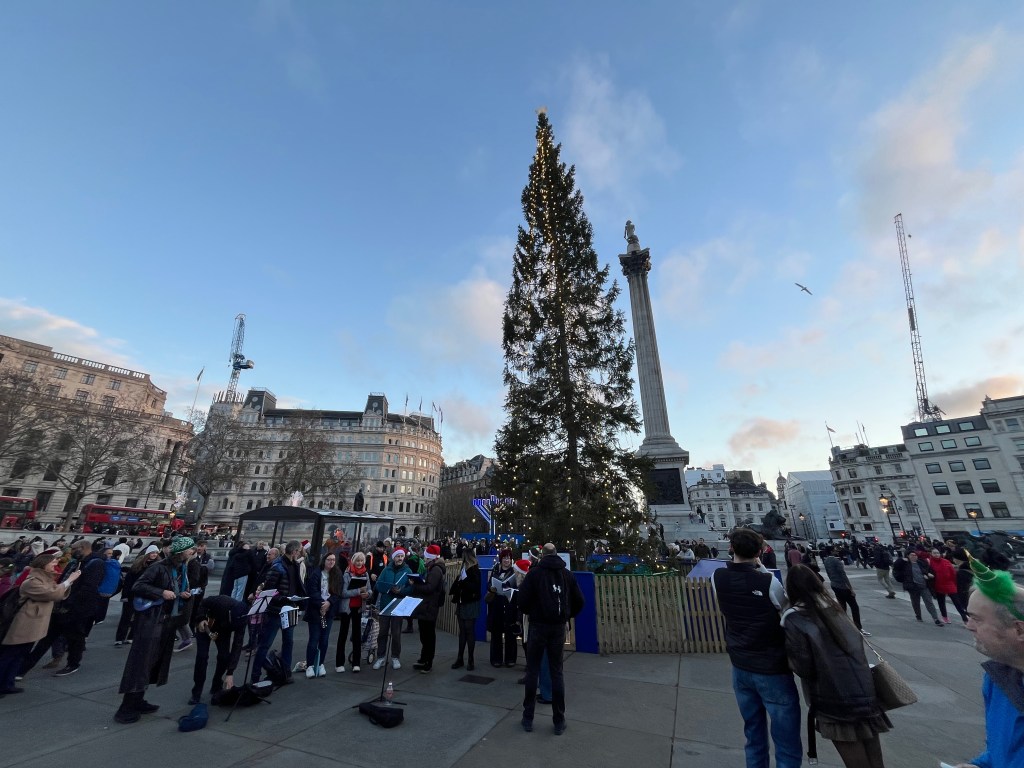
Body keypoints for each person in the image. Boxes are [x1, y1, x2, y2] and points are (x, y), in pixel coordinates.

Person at [782, 564, 891, 767]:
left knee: (855, 760)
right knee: (875, 759)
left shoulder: (795, 618)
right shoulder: (836, 609)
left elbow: (803, 666)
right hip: (864, 690)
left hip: (832, 695)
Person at [712, 528, 802, 768]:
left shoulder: (717, 577)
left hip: (740, 664)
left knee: (753, 734)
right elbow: (786, 611)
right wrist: (761, 568)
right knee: (787, 742)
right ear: (760, 552)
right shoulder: (767, 582)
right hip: (772, 667)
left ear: (731, 548)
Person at [114, 536, 197, 724]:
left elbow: (173, 590)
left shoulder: (179, 569)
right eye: (191, 549)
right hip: (151, 622)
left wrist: (182, 595)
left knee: (151, 663)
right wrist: (161, 592)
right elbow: (139, 586)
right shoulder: (158, 567)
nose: (193, 552)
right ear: (182, 551)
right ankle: (126, 707)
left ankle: (138, 699)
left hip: (164, 621)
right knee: (140, 663)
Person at [952, 558, 1024, 768]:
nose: (968, 626)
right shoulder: (997, 677)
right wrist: (980, 765)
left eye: (977, 619)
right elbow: (1002, 749)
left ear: (1019, 630)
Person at [518, 543, 584, 735]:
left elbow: (522, 600)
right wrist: (566, 615)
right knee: (557, 673)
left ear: (542, 555)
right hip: (557, 628)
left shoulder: (535, 574)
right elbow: (580, 600)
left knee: (532, 671)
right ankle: (558, 719)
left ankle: (528, 717)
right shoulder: (567, 574)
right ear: (556, 554)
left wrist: (532, 612)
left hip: (538, 626)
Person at [0, 554, 79, 694]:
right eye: (52, 563)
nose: (55, 565)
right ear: (43, 564)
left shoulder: (45, 577)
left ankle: (8, 683)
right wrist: (69, 580)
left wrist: (65, 581)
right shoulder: (32, 580)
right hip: (23, 624)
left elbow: (56, 591)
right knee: (10, 655)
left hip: (31, 624)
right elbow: (52, 594)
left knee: (19, 655)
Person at [249, 540, 305, 687]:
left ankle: (285, 673)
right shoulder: (278, 566)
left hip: (290, 608)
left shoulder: (295, 565)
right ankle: (255, 676)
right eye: (298, 551)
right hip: (276, 610)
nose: (299, 554)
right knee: (265, 644)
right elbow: (270, 591)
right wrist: (284, 598)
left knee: (289, 642)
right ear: (294, 551)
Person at [188, 594, 247, 705]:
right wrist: (201, 618)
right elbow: (203, 603)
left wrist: (230, 672)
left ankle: (216, 683)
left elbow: (237, 646)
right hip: (205, 626)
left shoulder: (242, 620)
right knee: (202, 657)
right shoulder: (222, 601)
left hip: (223, 631)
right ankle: (196, 692)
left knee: (224, 657)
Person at [371, 547, 413, 670]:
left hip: (398, 605)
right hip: (385, 604)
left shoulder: (408, 570)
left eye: (401, 556)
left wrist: (401, 591)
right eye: (397, 556)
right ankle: (381, 657)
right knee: (382, 632)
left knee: (396, 633)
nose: (400, 558)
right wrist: (389, 589)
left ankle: (395, 657)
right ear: (393, 557)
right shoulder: (386, 570)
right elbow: (379, 585)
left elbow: (410, 588)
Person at [302, 551, 340, 679]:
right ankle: (310, 665)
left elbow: (337, 592)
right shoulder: (316, 574)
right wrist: (321, 604)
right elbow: (312, 591)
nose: (331, 562)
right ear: (324, 560)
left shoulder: (336, 575)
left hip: (328, 611)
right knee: (314, 638)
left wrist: (328, 603)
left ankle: (321, 663)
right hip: (315, 611)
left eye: (333, 560)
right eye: (329, 559)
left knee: (324, 639)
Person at [411, 543, 446, 673]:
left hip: (429, 606)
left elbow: (430, 588)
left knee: (428, 635)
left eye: (426, 558)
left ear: (431, 558)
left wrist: (416, 585)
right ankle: (424, 657)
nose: (424, 560)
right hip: (426, 605)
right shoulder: (432, 569)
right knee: (425, 634)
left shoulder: (435, 570)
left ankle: (428, 661)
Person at [823, 547, 870, 637]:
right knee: (854, 607)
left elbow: (829, 573)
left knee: (842, 607)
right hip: (843, 586)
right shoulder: (837, 562)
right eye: (834, 550)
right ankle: (858, 627)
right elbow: (843, 575)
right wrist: (850, 588)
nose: (836, 551)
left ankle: (843, 626)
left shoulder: (826, 561)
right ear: (832, 551)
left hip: (834, 584)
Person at [336, 551, 369, 673]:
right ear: (353, 561)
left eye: (361, 561)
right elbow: (343, 593)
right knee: (343, 634)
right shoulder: (347, 574)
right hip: (347, 607)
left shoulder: (365, 573)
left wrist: (367, 594)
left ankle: (356, 662)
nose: (360, 563)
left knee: (357, 635)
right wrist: (358, 591)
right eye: (357, 561)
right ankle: (339, 663)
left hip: (359, 607)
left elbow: (370, 590)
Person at [450, 547, 482, 671]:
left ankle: (470, 659)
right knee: (462, 631)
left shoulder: (474, 570)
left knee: (469, 631)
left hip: (470, 602)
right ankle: (460, 658)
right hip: (462, 602)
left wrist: (463, 581)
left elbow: (475, 587)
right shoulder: (463, 568)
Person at [486, 549, 519, 668]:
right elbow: (489, 584)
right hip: (497, 605)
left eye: (508, 558)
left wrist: (511, 590)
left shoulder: (514, 572)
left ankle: (510, 658)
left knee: (510, 634)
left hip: (510, 605)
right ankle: (496, 659)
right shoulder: (495, 570)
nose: (506, 560)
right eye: (504, 558)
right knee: (496, 633)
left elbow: (518, 588)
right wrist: (492, 588)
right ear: (501, 559)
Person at [894, 551, 943, 626]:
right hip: (913, 586)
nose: (914, 556)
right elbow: (896, 566)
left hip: (924, 585)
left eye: (915, 555)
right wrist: (902, 559)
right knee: (915, 602)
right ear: (908, 556)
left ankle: (935, 618)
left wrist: (927, 574)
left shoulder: (921, 563)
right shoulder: (905, 564)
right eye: (912, 555)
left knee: (929, 602)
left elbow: (927, 570)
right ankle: (918, 615)